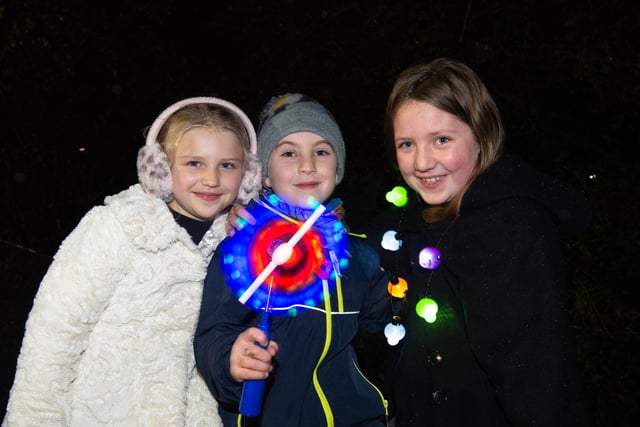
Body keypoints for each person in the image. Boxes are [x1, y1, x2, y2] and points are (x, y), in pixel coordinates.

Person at [2, 97, 262, 426]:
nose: (211, 178)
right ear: (160, 169)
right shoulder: (116, 227)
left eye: (227, 165)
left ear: (248, 176)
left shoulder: (230, 245)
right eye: (194, 163)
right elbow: (52, 338)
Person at [361, 58, 591, 425]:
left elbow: (537, 383)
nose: (421, 162)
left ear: (482, 137)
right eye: (406, 144)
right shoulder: (416, 217)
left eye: (441, 140)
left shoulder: (508, 227)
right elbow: (353, 251)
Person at [194, 93, 391, 427]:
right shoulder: (244, 247)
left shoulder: (358, 252)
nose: (307, 165)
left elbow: (381, 329)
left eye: (321, 151)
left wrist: (397, 295)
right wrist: (232, 359)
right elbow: (214, 331)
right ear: (266, 174)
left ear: (338, 167)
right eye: (288, 152)